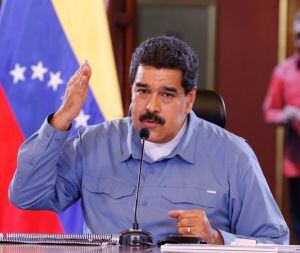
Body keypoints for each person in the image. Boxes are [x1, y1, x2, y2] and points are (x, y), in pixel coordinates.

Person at [10, 36, 289, 245]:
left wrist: (216, 238)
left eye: (167, 95)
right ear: (131, 90)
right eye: (142, 91)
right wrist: (62, 119)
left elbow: (275, 243)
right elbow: (26, 195)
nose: (151, 106)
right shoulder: (93, 143)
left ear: (189, 99)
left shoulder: (233, 156)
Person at [263, 12, 300, 245]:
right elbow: (269, 111)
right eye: (298, 36)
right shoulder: (282, 72)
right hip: (296, 164)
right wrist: (284, 114)